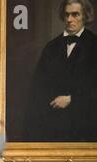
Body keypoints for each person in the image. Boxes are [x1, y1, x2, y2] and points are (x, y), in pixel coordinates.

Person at [27, 0, 97, 141]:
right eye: (66, 15)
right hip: (53, 125)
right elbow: (38, 86)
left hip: (84, 126)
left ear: (85, 16)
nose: (69, 19)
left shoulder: (94, 45)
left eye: (75, 14)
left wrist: (72, 99)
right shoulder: (51, 47)